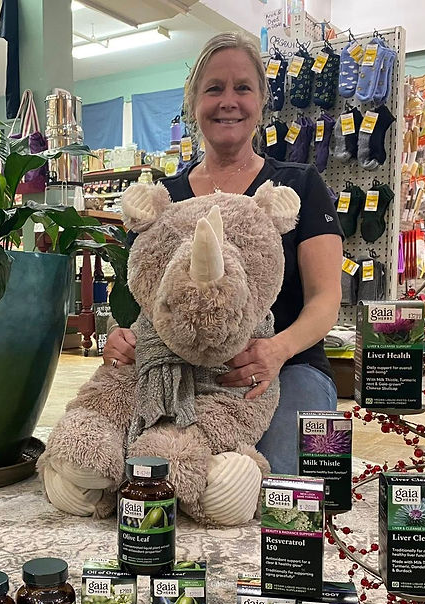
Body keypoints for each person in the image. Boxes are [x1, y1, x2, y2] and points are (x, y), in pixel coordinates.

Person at [104, 32, 343, 474]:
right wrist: (122, 337)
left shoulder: (299, 185)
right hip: (180, 372)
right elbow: (144, 298)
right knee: (136, 469)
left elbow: (326, 300)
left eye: (242, 88)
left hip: (287, 367)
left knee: (280, 483)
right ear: (193, 102)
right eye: (214, 88)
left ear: (261, 101)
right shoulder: (164, 198)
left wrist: (276, 350)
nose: (227, 101)